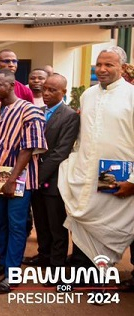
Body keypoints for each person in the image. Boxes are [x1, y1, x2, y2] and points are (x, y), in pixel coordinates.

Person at [58, 46, 134, 275]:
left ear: (122, 67)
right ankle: (87, 272)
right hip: (90, 172)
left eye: (108, 65)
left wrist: (133, 180)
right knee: (87, 219)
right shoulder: (88, 95)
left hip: (122, 174)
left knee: (118, 224)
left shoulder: (131, 95)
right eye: (98, 65)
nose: (101, 69)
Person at [0, 69, 46, 294]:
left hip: (20, 178)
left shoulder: (31, 111)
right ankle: (4, 261)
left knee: (16, 225)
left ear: (11, 85)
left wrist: (12, 179)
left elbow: (29, 148)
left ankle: (12, 274)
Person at [22, 74, 79, 270]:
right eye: (45, 88)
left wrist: (37, 177)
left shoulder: (70, 116)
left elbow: (59, 153)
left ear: (63, 92)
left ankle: (57, 265)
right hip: (34, 179)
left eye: (52, 90)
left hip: (52, 180)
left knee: (57, 227)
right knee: (41, 223)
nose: (46, 93)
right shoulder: (38, 111)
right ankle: (43, 256)